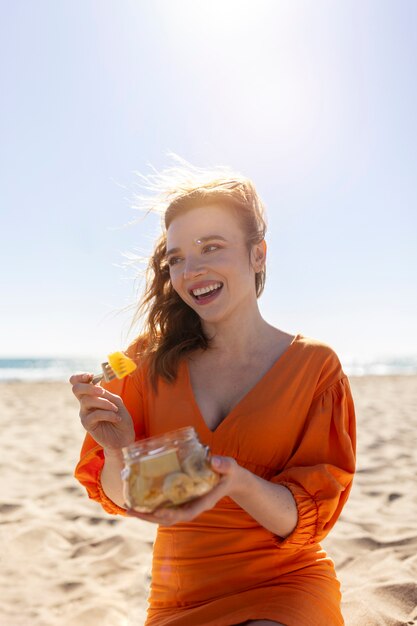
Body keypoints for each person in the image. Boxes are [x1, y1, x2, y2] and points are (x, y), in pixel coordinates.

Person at [71, 163, 356, 626]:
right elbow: (132, 499)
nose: (191, 270)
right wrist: (118, 450)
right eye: (177, 257)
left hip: (284, 586)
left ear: (258, 255)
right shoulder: (146, 362)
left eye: (212, 247)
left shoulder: (315, 368)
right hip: (180, 598)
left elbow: (301, 522)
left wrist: (239, 482)